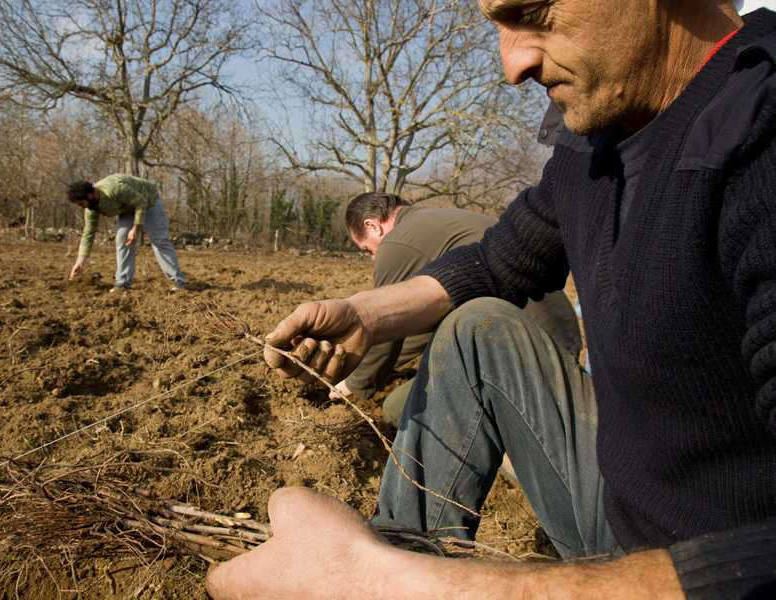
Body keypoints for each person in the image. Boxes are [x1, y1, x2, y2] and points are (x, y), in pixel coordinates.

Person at [206, 2, 776, 599]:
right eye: (498, 27)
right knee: (480, 329)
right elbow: (498, 260)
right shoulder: (596, 143)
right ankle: (400, 540)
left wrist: (387, 586)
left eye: (534, 12)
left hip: (717, 563)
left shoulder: (760, 130)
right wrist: (365, 315)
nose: (513, 64)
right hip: (623, 502)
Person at [333, 191, 583, 426]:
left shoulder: (396, 245)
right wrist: (389, 368)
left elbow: (383, 324)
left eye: (367, 249)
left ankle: (511, 456)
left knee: (398, 408)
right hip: (557, 331)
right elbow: (420, 326)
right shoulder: (438, 222)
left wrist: (354, 382)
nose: (373, 258)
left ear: (372, 226)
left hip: (523, 348)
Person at [66, 175, 187, 292]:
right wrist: (80, 262)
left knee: (159, 240)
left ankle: (178, 281)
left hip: (148, 200)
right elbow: (88, 233)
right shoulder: (91, 209)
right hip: (127, 208)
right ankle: (122, 283)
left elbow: (141, 202)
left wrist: (135, 228)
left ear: (90, 195)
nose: (81, 207)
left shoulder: (114, 189)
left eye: (81, 204)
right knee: (122, 240)